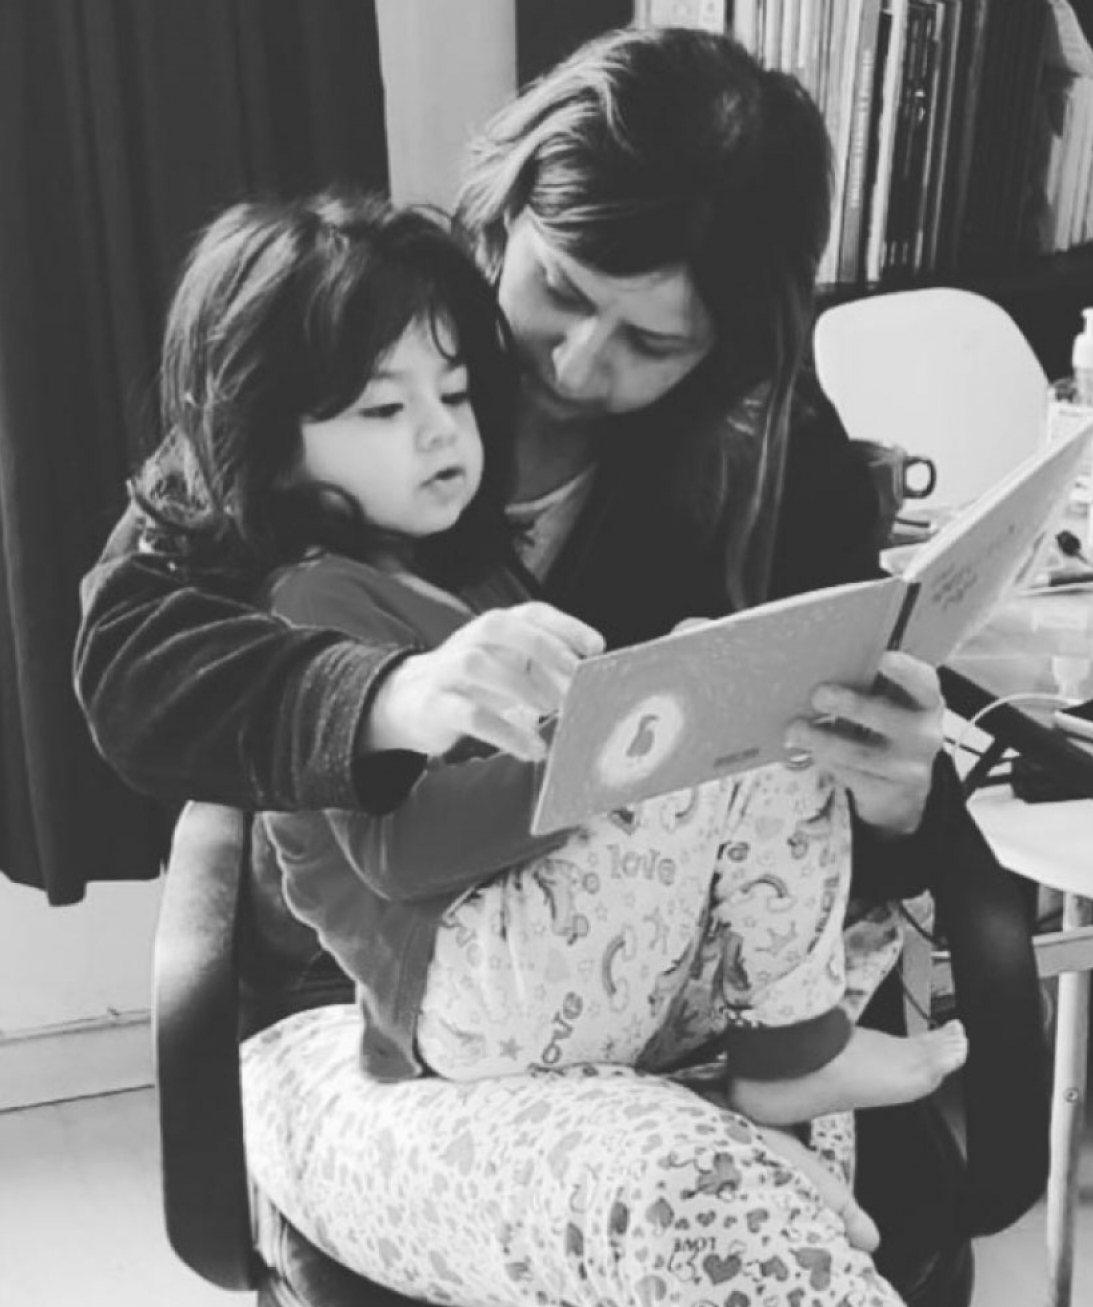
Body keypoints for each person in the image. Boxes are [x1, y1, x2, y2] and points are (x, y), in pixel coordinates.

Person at [76, 24, 1048, 1304]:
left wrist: (900, 792)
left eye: (656, 343)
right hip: (375, 1012)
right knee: (695, 1201)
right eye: (565, 289)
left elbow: (820, 823)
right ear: (508, 206)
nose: (582, 364)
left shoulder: (772, 465)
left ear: (729, 348)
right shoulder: (345, 342)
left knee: (734, 1207)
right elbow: (130, 662)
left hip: (679, 1005)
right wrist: (389, 698)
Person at [139, 190, 968, 1133]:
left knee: (761, 711)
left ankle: (792, 1065)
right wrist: (598, 755)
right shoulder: (312, 603)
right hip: (456, 987)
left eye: (454, 394)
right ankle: (792, 1055)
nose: (439, 431)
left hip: (539, 967)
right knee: (702, 707)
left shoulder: (467, 573)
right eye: (385, 408)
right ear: (274, 446)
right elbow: (401, 855)